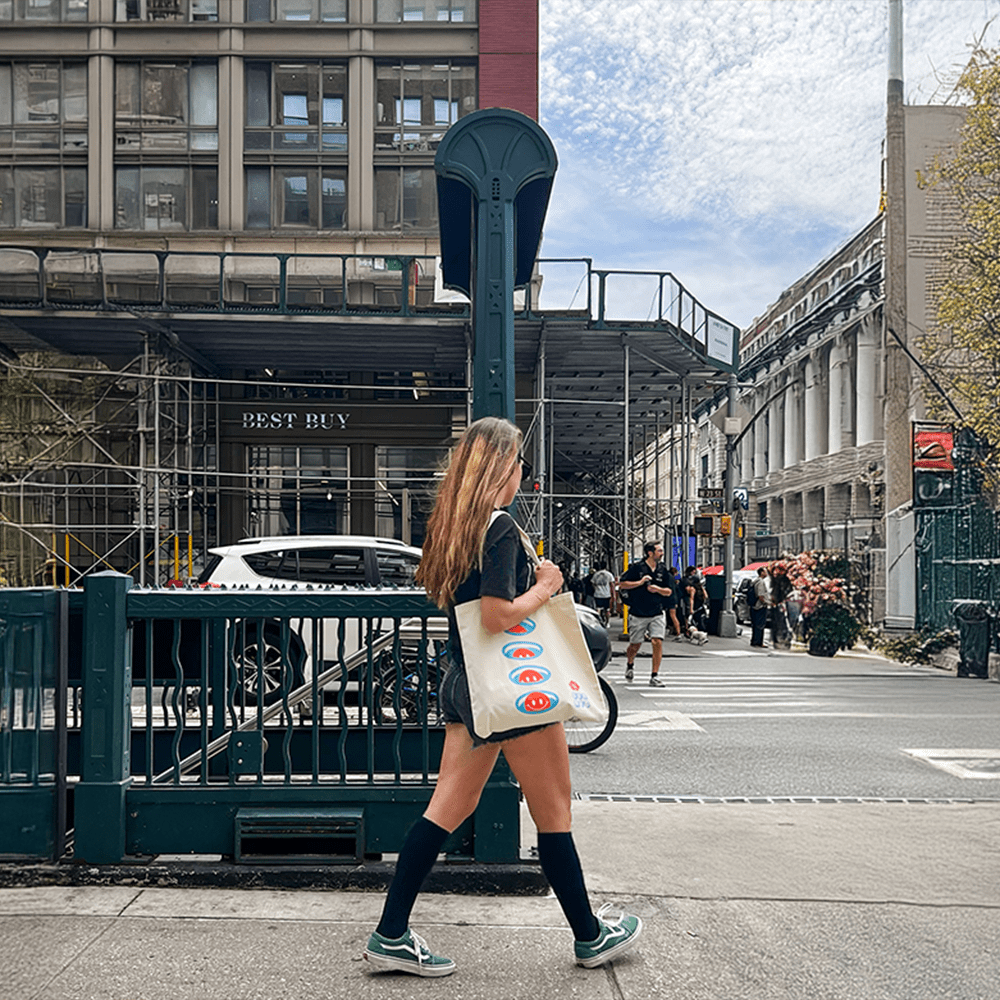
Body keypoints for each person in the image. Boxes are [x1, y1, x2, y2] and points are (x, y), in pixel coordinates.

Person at [363, 417, 642, 977]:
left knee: (446, 808)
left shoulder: (451, 526)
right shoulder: (498, 528)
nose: (522, 475)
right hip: (518, 691)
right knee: (553, 811)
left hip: (469, 686)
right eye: (520, 464)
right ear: (501, 468)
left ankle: (391, 932)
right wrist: (545, 587)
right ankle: (589, 936)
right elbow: (495, 616)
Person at [618, 541, 673, 685]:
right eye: (659, 551)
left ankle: (654, 675)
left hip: (657, 612)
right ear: (650, 553)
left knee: (657, 641)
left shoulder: (662, 569)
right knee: (635, 644)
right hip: (638, 612)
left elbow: (669, 591)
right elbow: (622, 584)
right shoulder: (637, 568)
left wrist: (658, 589)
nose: (662, 553)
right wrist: (640, 582)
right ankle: (630, 663)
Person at [750, 565, 771, 647]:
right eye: (765, 571)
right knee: (760, 625)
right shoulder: (761, 582)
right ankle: (758, 642)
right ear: (761, 573)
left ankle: (755, 641)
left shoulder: (755, 581)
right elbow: (761, 596)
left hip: (754, 605)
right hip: (760, 606)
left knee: (755, 624)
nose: (767, 573)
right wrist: (768, 602)